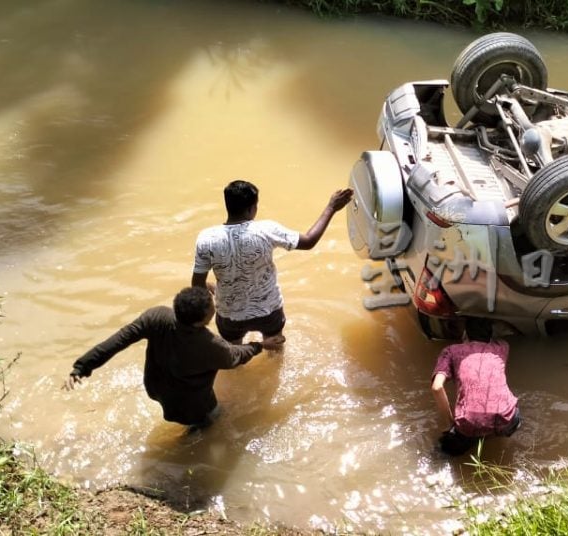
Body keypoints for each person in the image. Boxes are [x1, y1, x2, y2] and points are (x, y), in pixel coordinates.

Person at [63, 287, 283, 428]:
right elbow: (237, 355)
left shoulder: (157, 316)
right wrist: (261, 344)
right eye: (212, 307)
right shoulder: (210, 345)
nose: (215, 306)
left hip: (155, 387)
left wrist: (82, 366)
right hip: (192, 402)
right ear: (202, 320)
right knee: (214, 421)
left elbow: (118, 341)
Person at [191, 180, 352, 344]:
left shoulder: (207, 238)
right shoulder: (265, 230)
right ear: (251, 208)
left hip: (229, 316)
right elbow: (309, 241)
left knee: (235, 355)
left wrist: (213, 290)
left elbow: (197, 285)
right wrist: (331, 207)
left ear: (228, 205)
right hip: (268, 311)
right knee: (274, 348)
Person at [431, 318, 521, 456]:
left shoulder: (451, 351)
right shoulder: (502, 347)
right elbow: (506, 328)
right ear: (491, 336)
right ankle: (496, 434)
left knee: (441, 453)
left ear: (465, 334)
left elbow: (437, 387)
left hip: (470, 424)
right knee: (514, 413)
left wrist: (449, 424)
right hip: (506, 419)